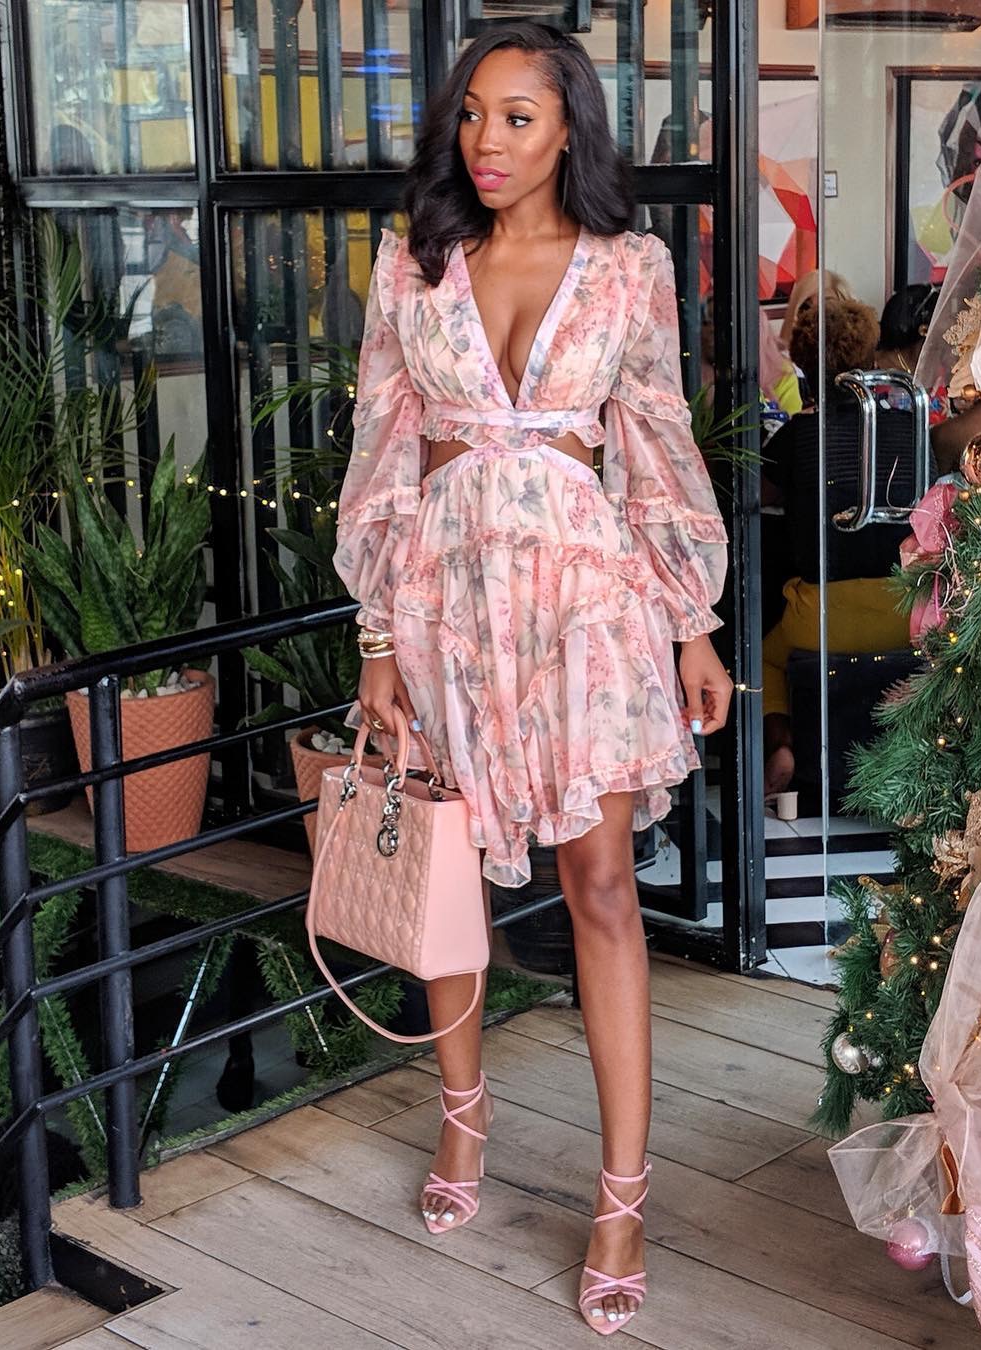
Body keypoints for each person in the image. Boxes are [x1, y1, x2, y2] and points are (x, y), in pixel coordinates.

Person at [331, 22, 731, 1337]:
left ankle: (621, 1197)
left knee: (602, 886)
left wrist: (692, 624)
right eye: (472, 115)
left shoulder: (629, 269)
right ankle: (464, 1116)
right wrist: (377, 640)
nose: (486, 142)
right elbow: (383, 451)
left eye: (517, 117)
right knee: (448, 874)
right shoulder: (415, 266)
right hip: (445, 603)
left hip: (585, 606)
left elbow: (657, 443)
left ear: (570, 130)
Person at [761, 296, 925, 796]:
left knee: (762, 659)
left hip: (821, 617)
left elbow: (759, 496)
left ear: (802, 361)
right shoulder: (910, 427)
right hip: (905, 611)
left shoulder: (796, 436)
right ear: (871, 353)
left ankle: (782, 741)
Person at [874, 282, 981, 473]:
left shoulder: (939, 367)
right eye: (946, 319)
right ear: (925, 330)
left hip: (932, 468)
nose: (954, 325)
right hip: (889, 467)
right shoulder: (876, 369)